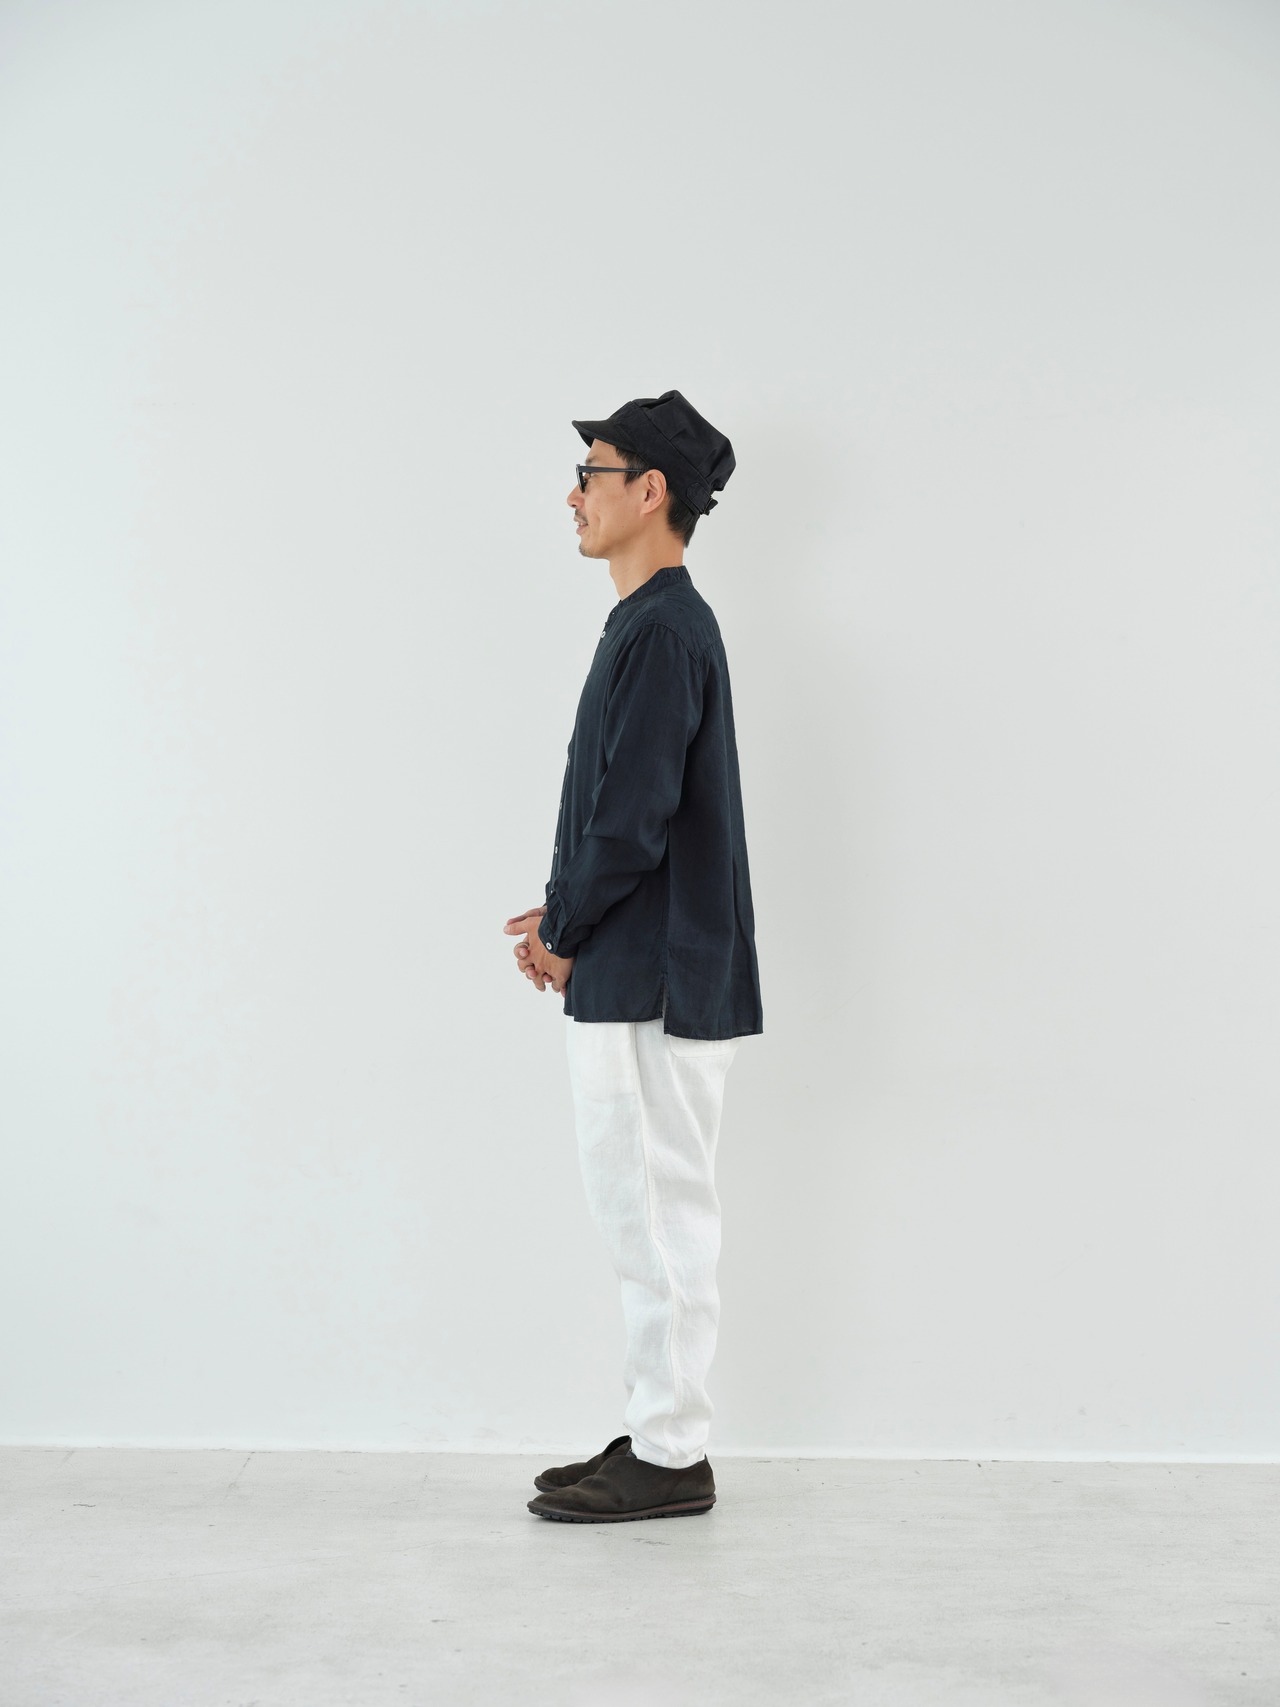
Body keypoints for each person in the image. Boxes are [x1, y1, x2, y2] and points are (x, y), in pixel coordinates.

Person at [502, 389, 763, 1524]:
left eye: (592, 475)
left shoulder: (661, 628)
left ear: (649, 491)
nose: (573, 496)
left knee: (658, 1216)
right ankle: (657, 1427)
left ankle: (669, 1453)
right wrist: (562, 915)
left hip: (653, 975)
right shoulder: (649, 624)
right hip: (643, 962)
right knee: (642, 1211)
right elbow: (627, 815)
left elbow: (632, 817)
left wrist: (565, 928)